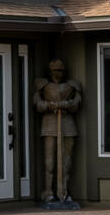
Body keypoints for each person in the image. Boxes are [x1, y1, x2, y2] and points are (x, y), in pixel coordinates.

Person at [31, 59, 82, 206]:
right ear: (50, 71)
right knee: (50, 162)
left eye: (61, 70)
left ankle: (64, 192)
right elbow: (37, 104)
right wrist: (49, 105)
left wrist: (67, 105)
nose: (58, 73)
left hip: (67, 124)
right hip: (49, 124)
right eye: (55, 70)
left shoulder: (72, 85)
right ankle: (48, 192)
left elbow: (77, 103)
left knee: (67, 162)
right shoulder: (43, 85)